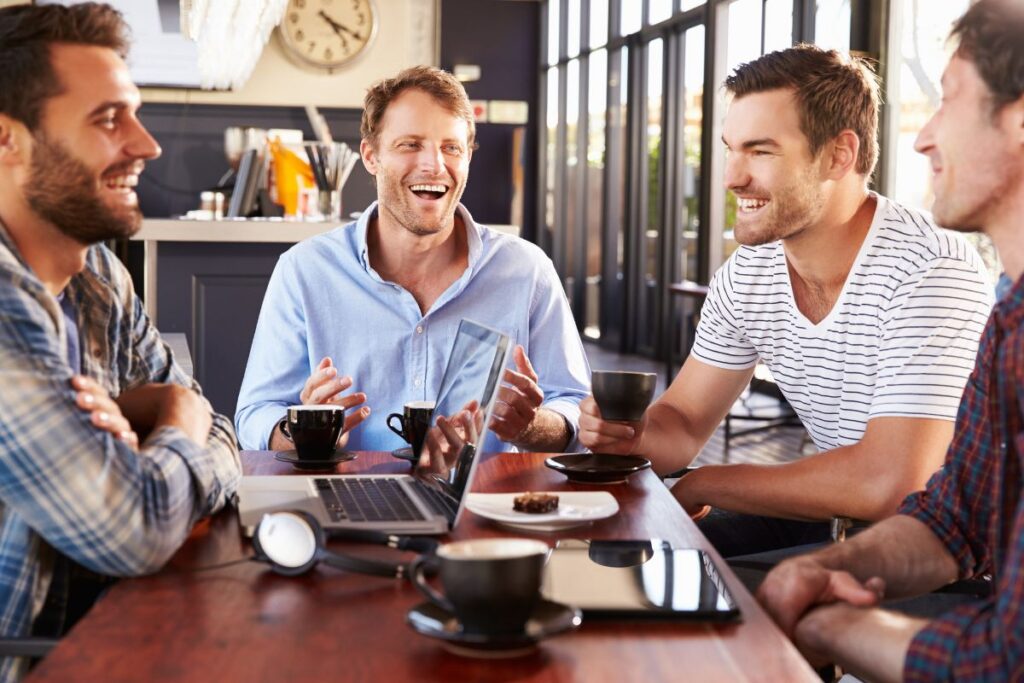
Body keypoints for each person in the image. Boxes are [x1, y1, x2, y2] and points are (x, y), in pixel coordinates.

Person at [579, 44, 995, 559]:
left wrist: (705, 483)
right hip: (833, 516)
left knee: (708, 586)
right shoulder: (749, 274)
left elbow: (894, 483)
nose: (732, 177)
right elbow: (683, 423)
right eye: (731, 148)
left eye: (760, 151)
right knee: (617, 556)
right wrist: (630, 434)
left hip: (951, 549)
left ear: (839, 155)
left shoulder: (930, 271)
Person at [757, 1, 1024, 679]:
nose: (922, 137)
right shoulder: (1010, 321)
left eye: (950, 101)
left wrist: (834, 622)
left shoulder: (942, 275)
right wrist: (822, 568)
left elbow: (1005, 660)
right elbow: (953, 519)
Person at [0, 4, 241, 680]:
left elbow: (218, 435)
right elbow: (131, 526)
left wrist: (162, 416)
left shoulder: (96, 271)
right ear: (7, 139)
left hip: (106, 624)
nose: (147, 144)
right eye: (108, 119)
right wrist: (178, 418)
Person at [235, 66, 590, 455]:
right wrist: (302, 430)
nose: (434, 165)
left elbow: (574, 407)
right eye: (410, 145)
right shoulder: (304, 270)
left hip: (484, 506)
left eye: (451, 148)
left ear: (468, 157)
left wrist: (531, 426)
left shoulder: (527, 270)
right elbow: (255, 414)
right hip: (350, 497)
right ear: (371, 156)